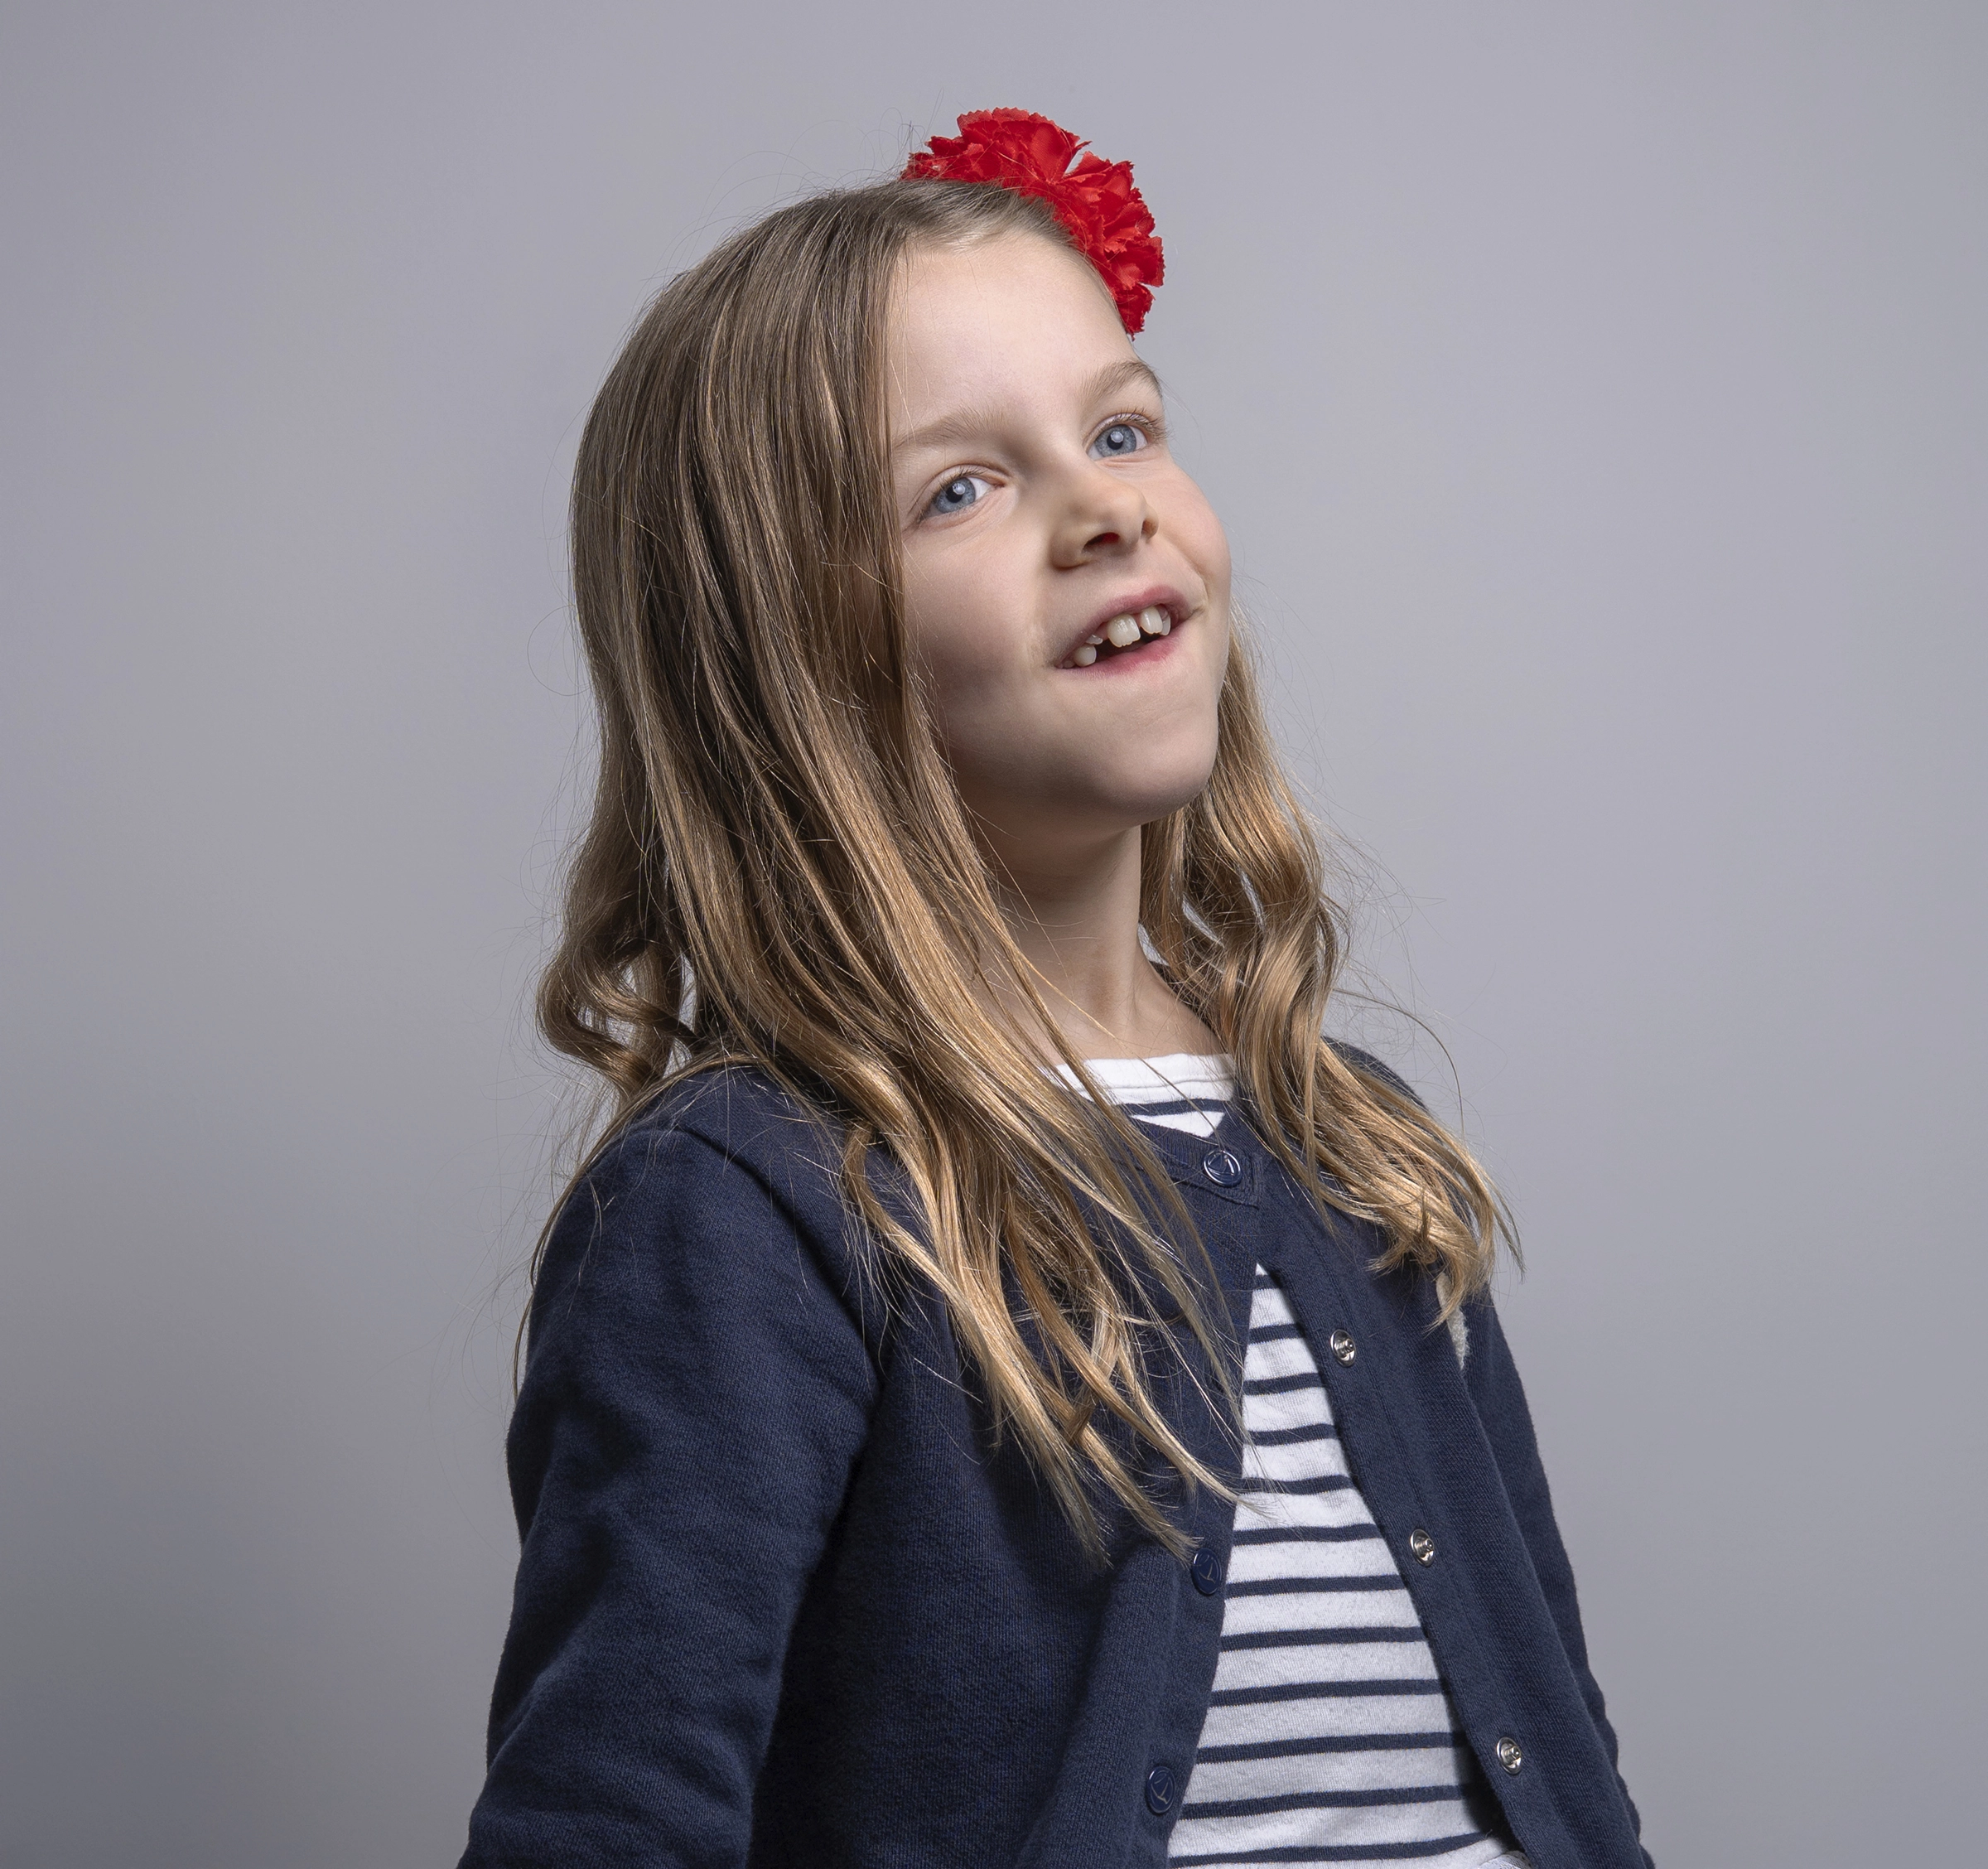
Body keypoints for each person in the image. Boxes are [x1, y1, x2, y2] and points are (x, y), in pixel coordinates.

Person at [458, 109, 1652, 1869]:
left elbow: (1563, 1750)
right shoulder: (755, 1210)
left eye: (1119, 429)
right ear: (792, 658)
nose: (1105, 508)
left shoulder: (1359, 1147)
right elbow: (604, 1825)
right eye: (962, 487)